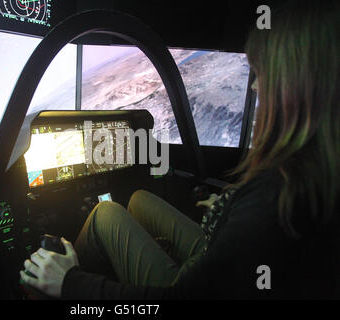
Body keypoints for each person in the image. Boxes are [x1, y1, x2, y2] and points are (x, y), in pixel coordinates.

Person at [19, 0, 339, 299]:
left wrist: (71, 282)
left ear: (295, 87)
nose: (255, 86)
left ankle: (45, 280)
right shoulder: (310, 173)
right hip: (218, 258)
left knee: (105, 212)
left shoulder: (275, 196)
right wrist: (228, 209)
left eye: (263, 75)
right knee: (138, 199)